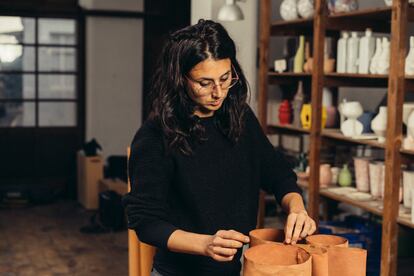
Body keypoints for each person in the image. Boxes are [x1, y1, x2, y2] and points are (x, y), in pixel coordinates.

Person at [122, 19, 317, 276]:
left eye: (225, 78)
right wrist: (205, 243)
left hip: (235, 270)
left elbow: (277, 173)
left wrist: (297, 208)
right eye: (204, 83)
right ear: (179, 79)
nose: (218, 92)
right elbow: (145, 221)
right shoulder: (155, 136)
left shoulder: (240, 117)